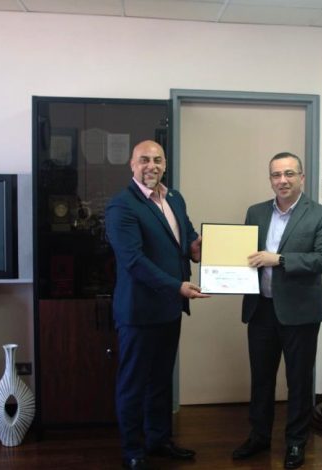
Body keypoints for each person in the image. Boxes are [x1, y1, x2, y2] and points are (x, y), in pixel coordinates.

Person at [105, 139, 208, 470]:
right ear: (132, 165)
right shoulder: (121, 205)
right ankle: (133, 450)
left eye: (158, 160)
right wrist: (177, 286)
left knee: (162, 380)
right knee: (134, 384)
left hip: (169, 309)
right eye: (144, 160)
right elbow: (133, 261)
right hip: (139, 311)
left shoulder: (174, 198)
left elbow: (188, 242)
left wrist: (212, 249)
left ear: (165, 164)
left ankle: (159, 440)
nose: (152, 165)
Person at [232, 152, 322, 469]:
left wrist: (279, 259)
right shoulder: (256, 212)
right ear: (270, 180)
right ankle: (259, 437)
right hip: (261, 309)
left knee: (299, 381)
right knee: (261, 379)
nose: (283, 180)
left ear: (301, 177)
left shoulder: (321, 215)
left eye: (289, 173)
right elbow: (243, 255)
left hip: (300, 313)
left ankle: (295, 442)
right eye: (276, 175)